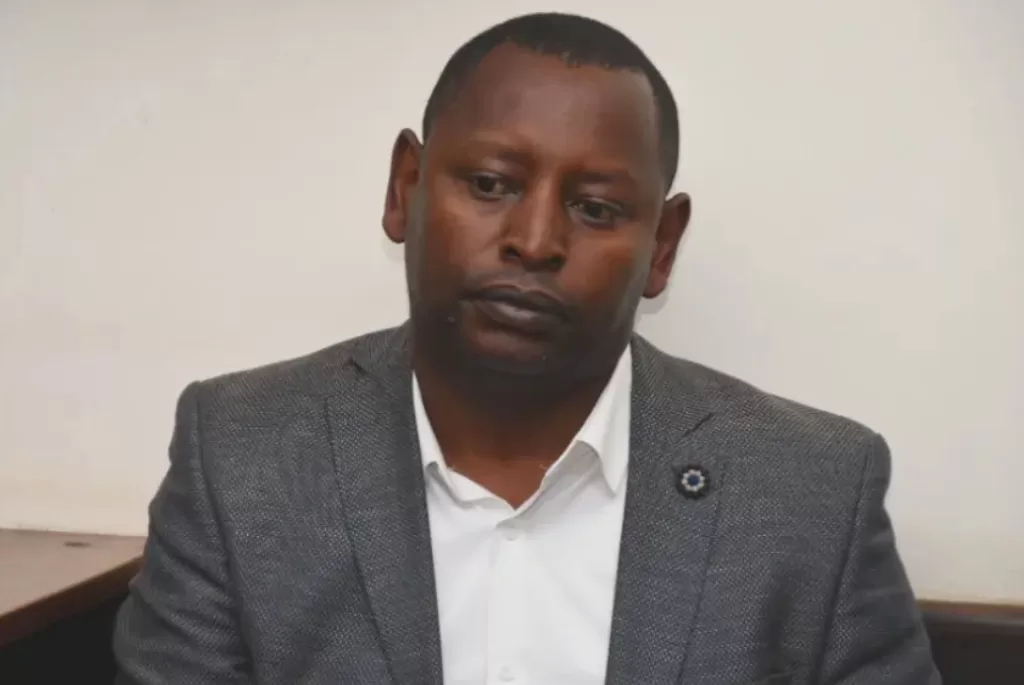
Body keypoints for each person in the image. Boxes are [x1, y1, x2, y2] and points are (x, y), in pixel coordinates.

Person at [113, 12, 941, 685]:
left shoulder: (813, 490)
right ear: (406, 188)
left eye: (596, 208)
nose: (535, 240)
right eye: (490, 184)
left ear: (662, 245)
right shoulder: (239, 454)